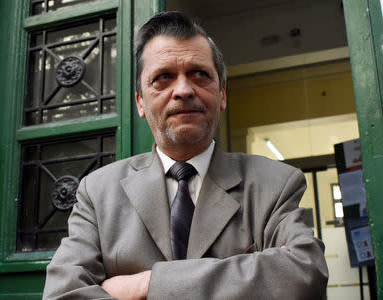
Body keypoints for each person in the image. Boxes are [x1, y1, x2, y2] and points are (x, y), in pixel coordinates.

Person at [43, 11, 328, 299]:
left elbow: (305, 274)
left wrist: (149, 284)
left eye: (200, 75)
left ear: (222, 95)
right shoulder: (97, 192)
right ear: (140, 102)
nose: (183, 90)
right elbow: (63, 294)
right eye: (163, 77)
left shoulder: (275, 184)